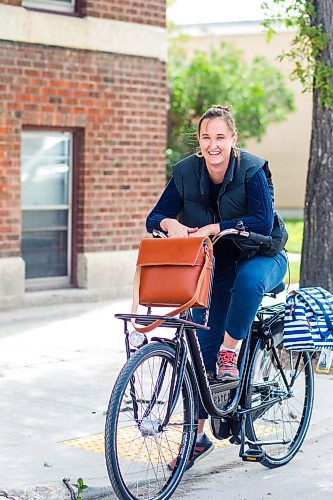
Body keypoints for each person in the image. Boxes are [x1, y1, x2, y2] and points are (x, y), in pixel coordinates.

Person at [146, 105, 287, 470]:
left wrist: (212, 228)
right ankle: (196, 437)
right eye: (206, 137)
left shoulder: (252, 170)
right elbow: (155, 216)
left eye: (220, 137)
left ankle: (232, 354)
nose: (213, 145)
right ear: (199, 141)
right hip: (216, 263)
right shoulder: (185, 172)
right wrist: (168, 225)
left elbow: (262, 219)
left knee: (249, 281)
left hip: (262, 254)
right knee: (199, 343)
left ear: (233, 139)